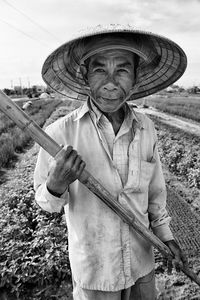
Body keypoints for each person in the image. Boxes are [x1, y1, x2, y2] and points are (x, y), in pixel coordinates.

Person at [34, 25, 188, 300]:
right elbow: (46, 203)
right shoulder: (60, 134)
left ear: (136, 76)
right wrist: (56, 184)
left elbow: (155, 194)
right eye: (99, 69)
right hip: (96, 274)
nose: (111, 82)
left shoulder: (146, 128)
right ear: (84, 74)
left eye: (122, 70)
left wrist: (166, 237)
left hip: (142, 265)